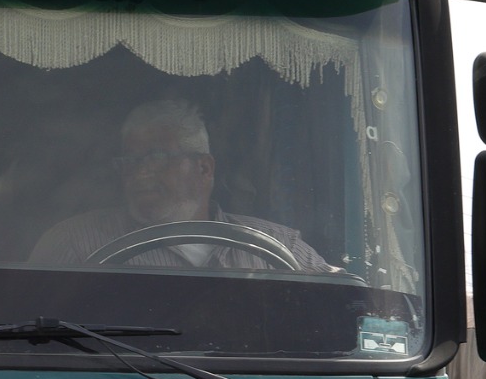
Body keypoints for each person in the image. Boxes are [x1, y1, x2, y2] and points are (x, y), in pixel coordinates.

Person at [29, 97, 335, 273]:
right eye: (129, 161)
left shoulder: (282, 248)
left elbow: (349, 319)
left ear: (204, 168)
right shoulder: (74, 244)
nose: (140, 172)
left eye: (157, 157)